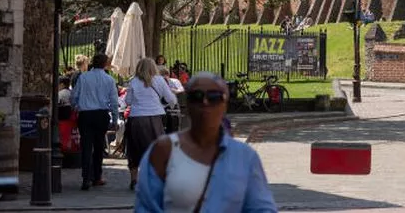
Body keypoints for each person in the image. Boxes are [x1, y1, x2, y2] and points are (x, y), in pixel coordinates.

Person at [135, 72, 276, 212]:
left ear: (224, 105)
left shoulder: (245, 157)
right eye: (196, 97)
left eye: (214, 97)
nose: (205, 103)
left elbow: (262, 208)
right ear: (187, 104)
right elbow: (147, 207)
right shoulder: (162, 152)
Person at [126, 57, 180, 189]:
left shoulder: (133, 81)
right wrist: (169, 103)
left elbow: (128, 101)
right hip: (155, 118)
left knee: (134, 148)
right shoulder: (159, 80)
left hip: (137, 118)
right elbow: (170, 98)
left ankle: (134, 179)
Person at [71, 52, 120, 191]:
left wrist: (75, 106)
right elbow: (114, 101)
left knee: (86, 146)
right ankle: (97, 176)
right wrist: (115, 119)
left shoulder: (84, 77)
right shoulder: (109, 80)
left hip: (85, 114)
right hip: (101, 114)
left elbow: (75, 95)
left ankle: (86, 177)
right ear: (105, 64)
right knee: (99, 147)